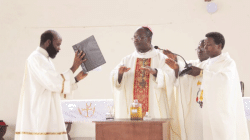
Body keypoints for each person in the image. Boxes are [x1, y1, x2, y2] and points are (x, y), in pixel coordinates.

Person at [166, 32, 249, 140]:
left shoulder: (228, 63)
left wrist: (202, 73)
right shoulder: (204, 64)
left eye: (208, 44)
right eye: (204, 44)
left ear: (219, 46)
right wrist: (177, 68)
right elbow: (188, 74)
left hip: (219, 114)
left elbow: (225, 80)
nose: (205, 47)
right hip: (203, 114)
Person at [15, 30, 88, 140]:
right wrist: (74, 67)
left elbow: (56, 86)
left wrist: (76, 79)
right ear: (48, 42)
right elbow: (54, 83)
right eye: (58, 44)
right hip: (39, 111)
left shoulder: (45, 59)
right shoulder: (36, 58)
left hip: (47, 109)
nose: (59, 48)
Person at [110, 26, 181, 139]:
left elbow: (171, 78)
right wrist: (120, 74)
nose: (136, 40)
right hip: (131, 109)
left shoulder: (161, 58)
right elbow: (114, 77)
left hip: (154, 109)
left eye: (139, 37)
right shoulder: (127, 59)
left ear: (149, 39)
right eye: (134, 38)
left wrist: (156, 73)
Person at [165, 39, 209, 140]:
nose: (200, 50)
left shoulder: (214, 65)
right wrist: (176, 67)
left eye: (203, 48)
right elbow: (179, 80)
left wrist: (201, 73)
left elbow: (218, 79)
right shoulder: (191, 64)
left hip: (206, 110)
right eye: (198, 48)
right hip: (191, 110)